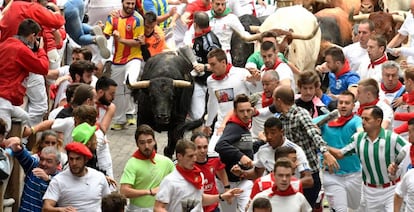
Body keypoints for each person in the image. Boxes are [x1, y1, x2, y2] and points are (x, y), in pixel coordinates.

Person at [329, 105, 408, 212]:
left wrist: (398, 167)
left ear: (378, 121)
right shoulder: (357, 138)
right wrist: (322, 146)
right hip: (370, 192)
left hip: (391, 190)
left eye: (367, 119)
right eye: (362, 118)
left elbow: (408, 152)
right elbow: (340, 154)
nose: (363, 122)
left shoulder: (392, 138)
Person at [272, 85, 339, 209]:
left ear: (279, 100)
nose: (272, 102)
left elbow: (313, 134)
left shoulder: (300, 114)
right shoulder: (280, 119)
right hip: (290, 175)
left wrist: (325, 152)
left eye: (274, 99)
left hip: (309, 175)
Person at [154, 139, 243, 212]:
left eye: (195, 155)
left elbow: (199, 198)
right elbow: (158, 208)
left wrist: (222, 196)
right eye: (190, 156)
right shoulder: (170, 180)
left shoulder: (199, 174)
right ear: (179, 156)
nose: (194, 159)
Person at [313, 91, 363, 212]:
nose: (343, 105)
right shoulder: (325, 120)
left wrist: (325, 146)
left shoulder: (356, 121)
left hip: (354, 174)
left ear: (353, 105)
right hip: (331, 175)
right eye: (341, 102)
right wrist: (314, 130)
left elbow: (361, 132)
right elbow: (307, 128)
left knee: (356, 207)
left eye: (347, 103)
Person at [202, 48, 258, 156]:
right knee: (212, 155)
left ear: (223, 62)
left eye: (213, 64)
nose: (210, 68)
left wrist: (255, 81)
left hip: (243, 125)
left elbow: (256, 92)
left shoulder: (241, 73)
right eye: (209, 64)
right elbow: (212, 102)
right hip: (222, 126)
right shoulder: (210, 80)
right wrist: (208, 124)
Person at [0, 19, 49, 132]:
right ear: (32, 36)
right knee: (2, 135)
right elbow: (43, 68)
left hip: (6, 98)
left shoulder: (4, 44)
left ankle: (22, 142)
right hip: (3, 98)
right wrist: (41, 49)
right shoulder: (20, 49)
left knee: (24, 118)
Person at [103, 0, 144, 130]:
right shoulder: (113, 17)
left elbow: (138, 42)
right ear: (122, 3)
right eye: (128, 3)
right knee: (118, 91)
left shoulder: (138, 19)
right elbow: (106, 35)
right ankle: (120, 120)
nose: (130, 6)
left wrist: (120, 39)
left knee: (130, 80)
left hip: (134, 57)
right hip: (117, 60)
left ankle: (131, 112)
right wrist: (101, 30)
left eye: (133, 3)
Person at [240, 117, 312, 189]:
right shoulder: (263, 150)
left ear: (282, 132)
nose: (269, 137)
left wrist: (285, 184)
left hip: (291, 194)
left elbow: (308, 180)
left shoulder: (295, 151)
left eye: (273, 133)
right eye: (266, 133)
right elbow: (257, 173)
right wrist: (241, 173)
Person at [214, 94, 255, 211]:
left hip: (244, 180)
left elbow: (245, 146)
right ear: (235, 112)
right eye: (242, 111)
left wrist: (261, 142)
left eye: (248, 110)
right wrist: (241, 156)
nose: (246, 114)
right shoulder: (233, 127)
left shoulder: (244, 126)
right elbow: (220, 145)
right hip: (228, 183)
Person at [119, 124, 174, 211]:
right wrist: (149, 191)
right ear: (137, 144)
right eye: (142, 143)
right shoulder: (132, 164)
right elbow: (124, 191)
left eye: (149, 141)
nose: (147, 146)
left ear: (154, 141)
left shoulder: (166, 162)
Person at [43, 142, 111, 211]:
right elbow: (46, 208)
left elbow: (109, 203)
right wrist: (61, 210)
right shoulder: (58, 180)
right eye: (71, 159)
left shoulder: (99, 177)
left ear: (86, 160)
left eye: (78, 159)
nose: (74, 163)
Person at [7, 138, 60, 212]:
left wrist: (48, 180)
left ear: (57, 164)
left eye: (49, 161)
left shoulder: (60, 179)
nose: (43, 163)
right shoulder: (34, 166)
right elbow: (23, 155)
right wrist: (18, 146)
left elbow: (59, 202)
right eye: (41, 159)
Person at [189, 11, 221, 121]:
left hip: (211, 83)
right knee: (197, 116)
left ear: (195, 24)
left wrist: (205, 67)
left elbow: (220, 64)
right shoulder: (199, 37)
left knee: (209, 116)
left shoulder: (210, 43)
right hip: (198, 81)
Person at [248, 158, 312, 212]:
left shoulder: (299, 198)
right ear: (274, 175)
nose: (284, 179)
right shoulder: (261, 197)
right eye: (280, 175)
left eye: (287, 175)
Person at [191, 132, 230, 212]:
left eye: (205, 147)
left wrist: (227, 188)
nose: (202, 151)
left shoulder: (214, 158)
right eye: (199, 147)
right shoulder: (186, 162)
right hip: (194, 207)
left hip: (212, 206)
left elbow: (221, 171)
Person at [387, 0, 414, 66]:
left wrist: (402, 50)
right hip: (410, 63)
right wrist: (386, 49)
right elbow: (401, 35)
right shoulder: (411, 15)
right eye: (412, 10)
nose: (412, 14)